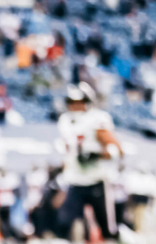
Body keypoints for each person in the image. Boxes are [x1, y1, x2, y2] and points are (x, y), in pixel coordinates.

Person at [57, 82, 122, 241]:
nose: (75, 106)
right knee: (66, 224)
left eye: (79, 102)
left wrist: (96, 155)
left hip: (96, 180)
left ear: (87, 102)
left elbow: (116, 149)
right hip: (75, 180)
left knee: (107, 229)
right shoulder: (65, 120)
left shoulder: (97, 119)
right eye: (71, 102)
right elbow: (68, 151)